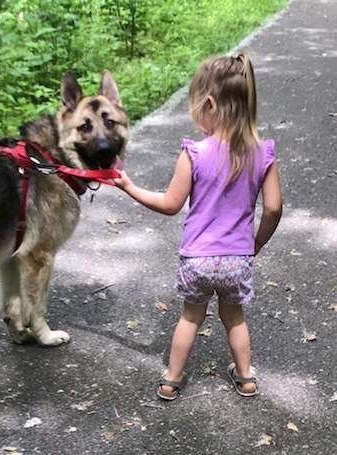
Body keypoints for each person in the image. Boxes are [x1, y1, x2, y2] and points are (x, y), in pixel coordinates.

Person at [114, 53, 283, 400]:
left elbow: (170, 204)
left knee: (190, 317)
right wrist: (256, 243)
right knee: (234, 317)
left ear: (209, 104)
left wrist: (129, 187)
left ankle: (171, 379)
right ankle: (247, 377)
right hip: (237, 258)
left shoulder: (194, 152)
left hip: (198, 259)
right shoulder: (263, 153)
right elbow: (274, 208)